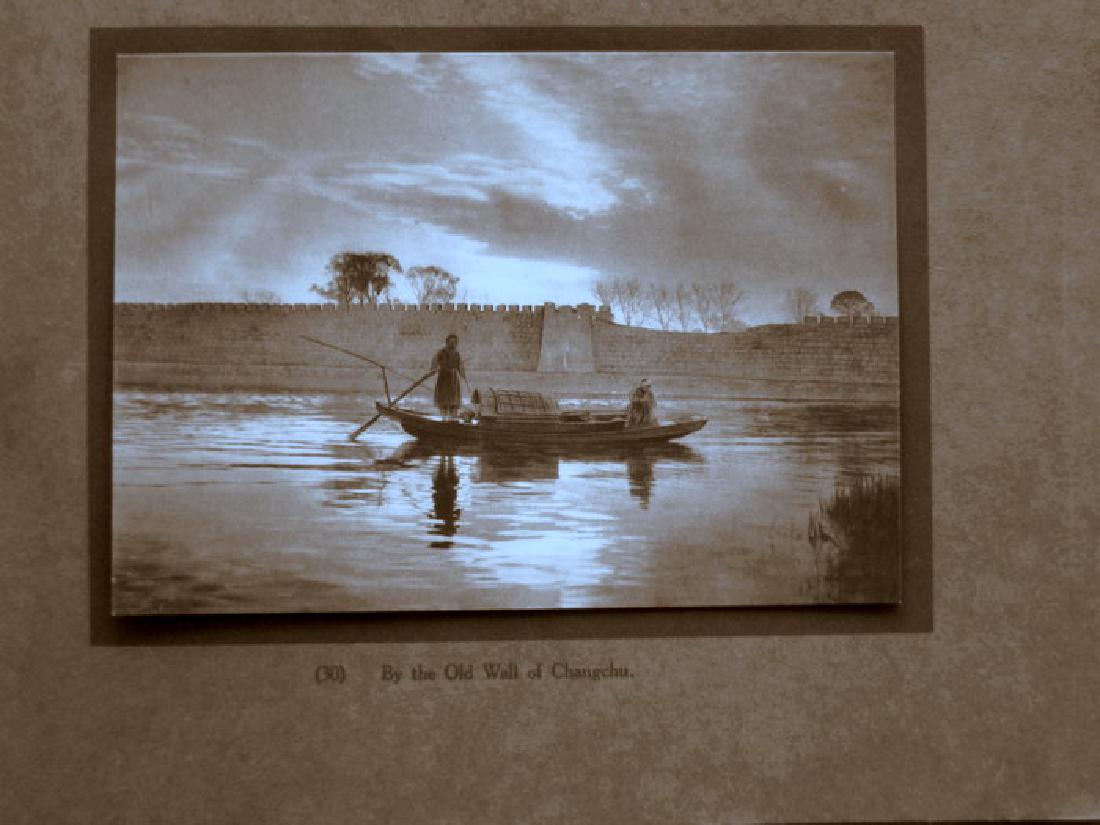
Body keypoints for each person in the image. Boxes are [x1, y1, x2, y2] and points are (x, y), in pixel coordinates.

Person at [430, 334, 465, 418]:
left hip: (453, 381)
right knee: (443, 404)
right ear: (447, 342)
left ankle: (453, 420)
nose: (453, 345)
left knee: (454, 404)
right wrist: (434, 369)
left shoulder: (457, 354)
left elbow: (461, 370)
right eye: (451, 342)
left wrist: (462, 372)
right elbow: (433, 367)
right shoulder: (440, 353)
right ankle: (444, 420)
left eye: (454, 343)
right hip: (443, 380)